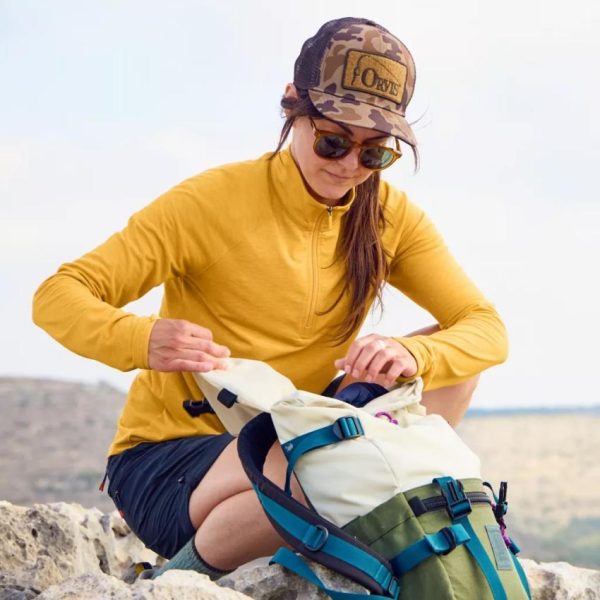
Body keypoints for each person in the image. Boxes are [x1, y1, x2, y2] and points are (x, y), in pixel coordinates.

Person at [32, 17, 508, 580]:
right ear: (291, 105)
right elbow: (57, 295)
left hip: (301, 433)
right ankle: (173, 581)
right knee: (328, 470)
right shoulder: (210, 202)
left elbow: (485, 328)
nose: (349, 166)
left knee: (448, 370)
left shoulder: (389, 218)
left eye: (374, 154)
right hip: (171, 460)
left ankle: (346, 522)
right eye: (333, 141)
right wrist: (140, 339)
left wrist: (412, 353)